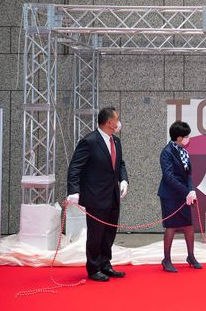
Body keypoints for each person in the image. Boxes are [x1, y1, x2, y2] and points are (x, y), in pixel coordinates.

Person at [67, 107, 129, 282]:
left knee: (109, 232)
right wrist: (73, 191)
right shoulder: (89, 141)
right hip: (96, 197)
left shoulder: (115, 141)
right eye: (117, 119)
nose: (118, 123)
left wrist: (124, 180)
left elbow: (120, 164)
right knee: (96, 234)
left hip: (113, 196)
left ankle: (105, 264)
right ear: (109, 122)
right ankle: (93, 268)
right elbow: (74, 167)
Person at [158, 120, 202, 272]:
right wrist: (186, 192)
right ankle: (167, 260)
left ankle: (191, 256)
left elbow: (188, 174)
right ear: (178, 138)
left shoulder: (184, 151)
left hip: (184, 195)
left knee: (188, 226)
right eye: (186, 136)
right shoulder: (167, 152)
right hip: (170, 195)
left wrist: (191, 190)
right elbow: (169, 177)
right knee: (171, 227)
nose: (188, 138)